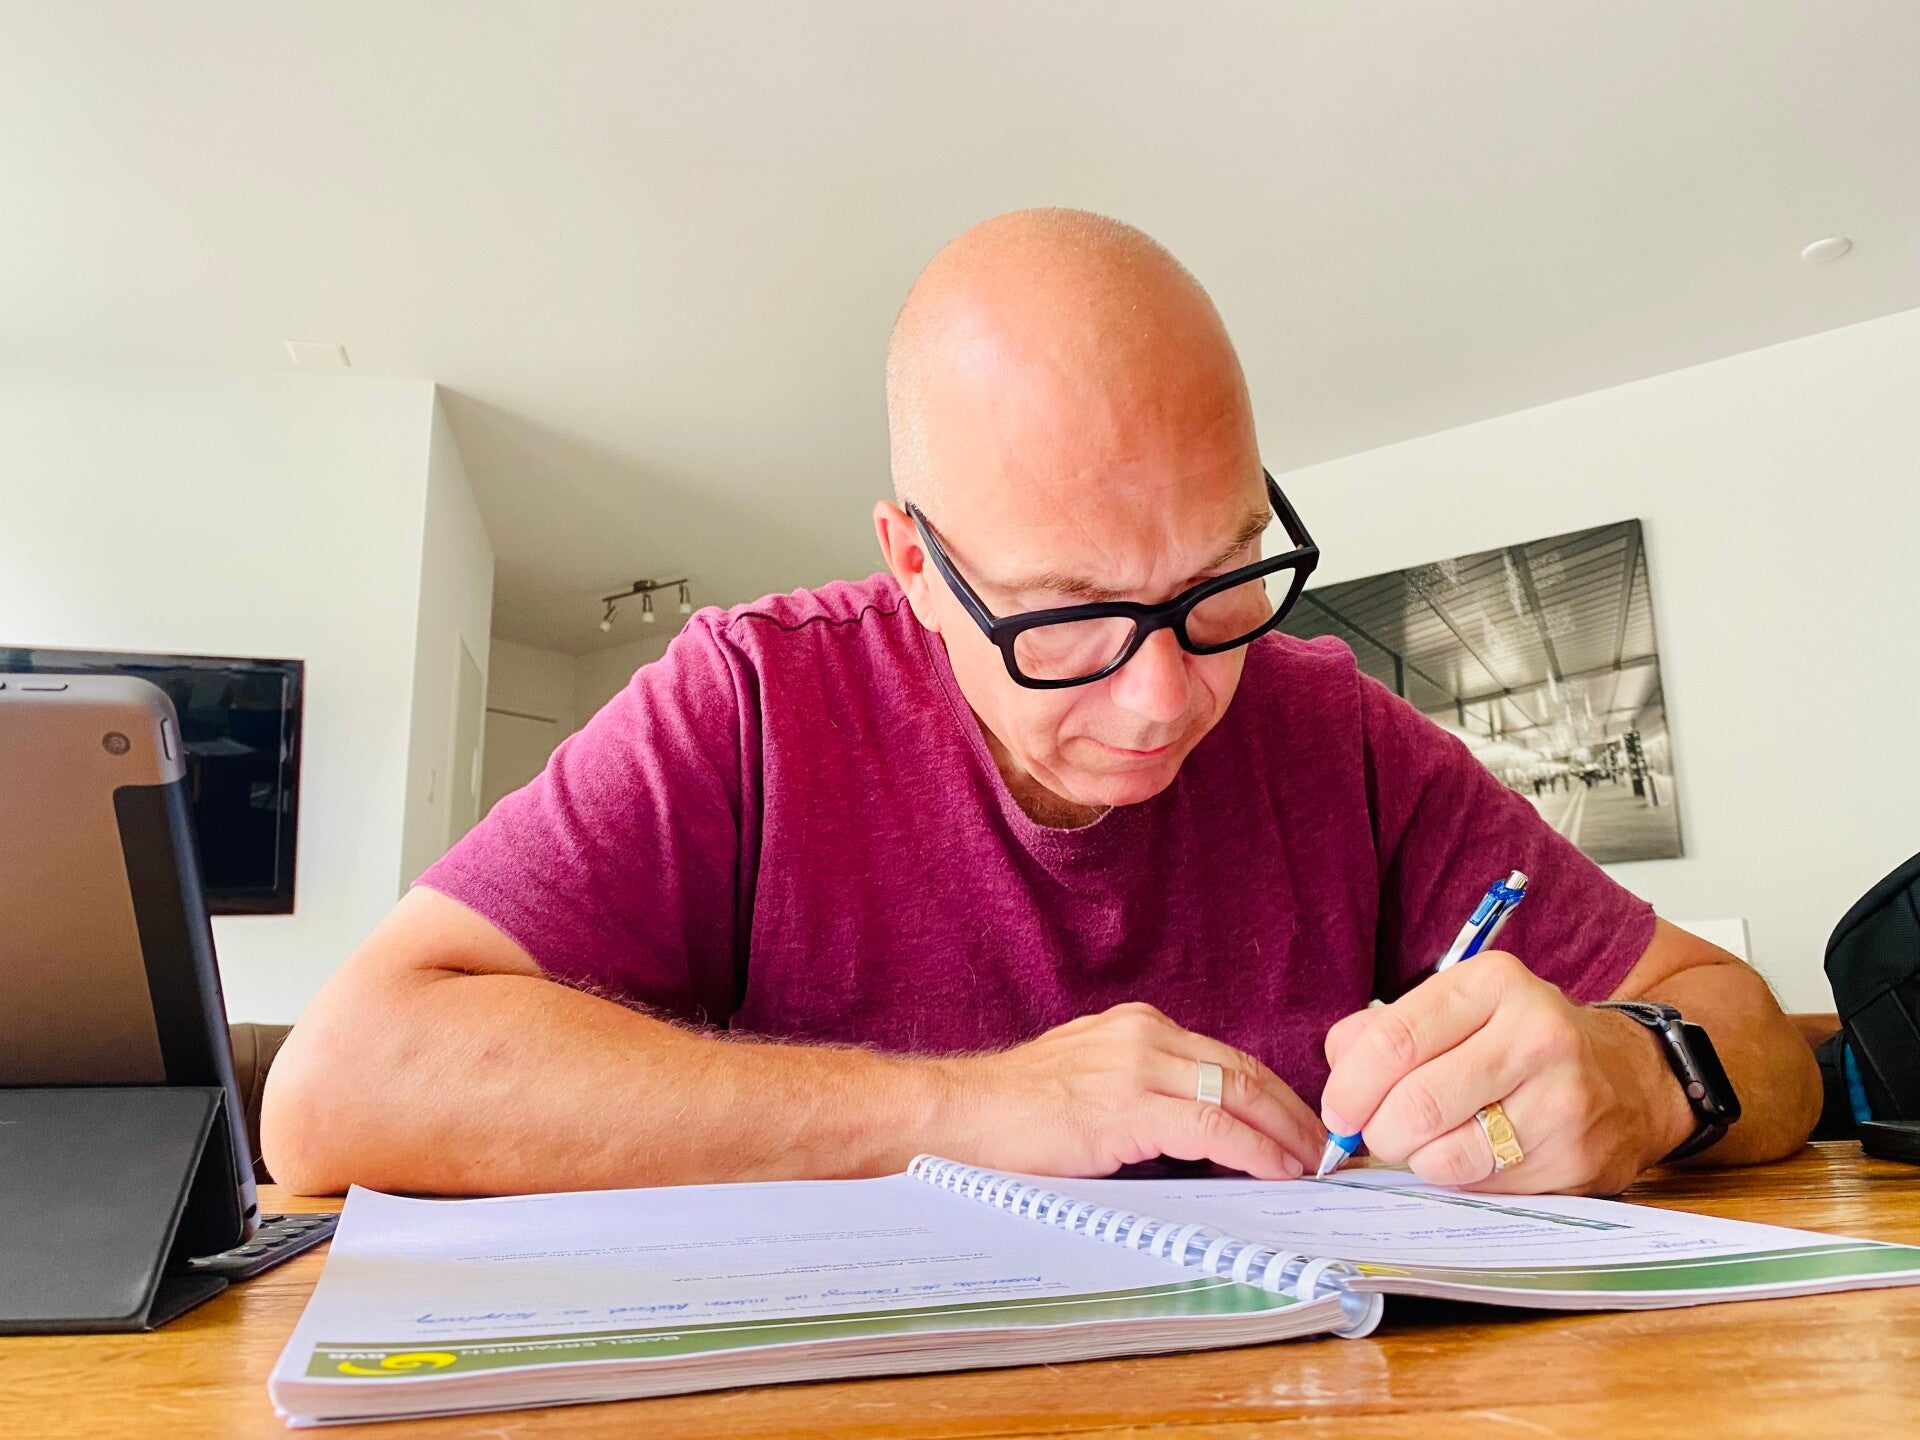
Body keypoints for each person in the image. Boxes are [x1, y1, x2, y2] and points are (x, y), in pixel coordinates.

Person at [263, 209, 1819, 1200]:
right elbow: (342, 1086)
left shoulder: (1334, 735)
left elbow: (1757, 1034)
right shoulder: (751, 704)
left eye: (1220, 581)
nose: (1166, 696)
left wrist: (1641, 1078)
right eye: (1070, 617)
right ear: (917, 567)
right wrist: (961, 1110)